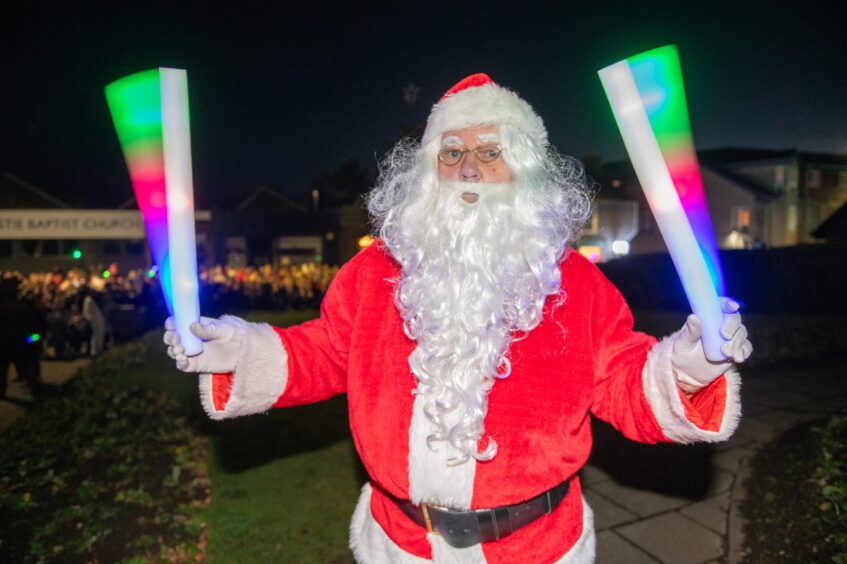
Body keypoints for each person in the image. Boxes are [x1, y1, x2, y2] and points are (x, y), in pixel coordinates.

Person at [164, 74, 752, 563]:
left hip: (536, 549)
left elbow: (626, 383)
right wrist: (237, 353)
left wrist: (692, 365)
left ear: (523, 170)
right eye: (452, 152)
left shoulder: (576, 283)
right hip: (399, 545)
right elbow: (323, 352)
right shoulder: (376, 274)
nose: (469, 166)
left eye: (490, 151)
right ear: (429, 172)